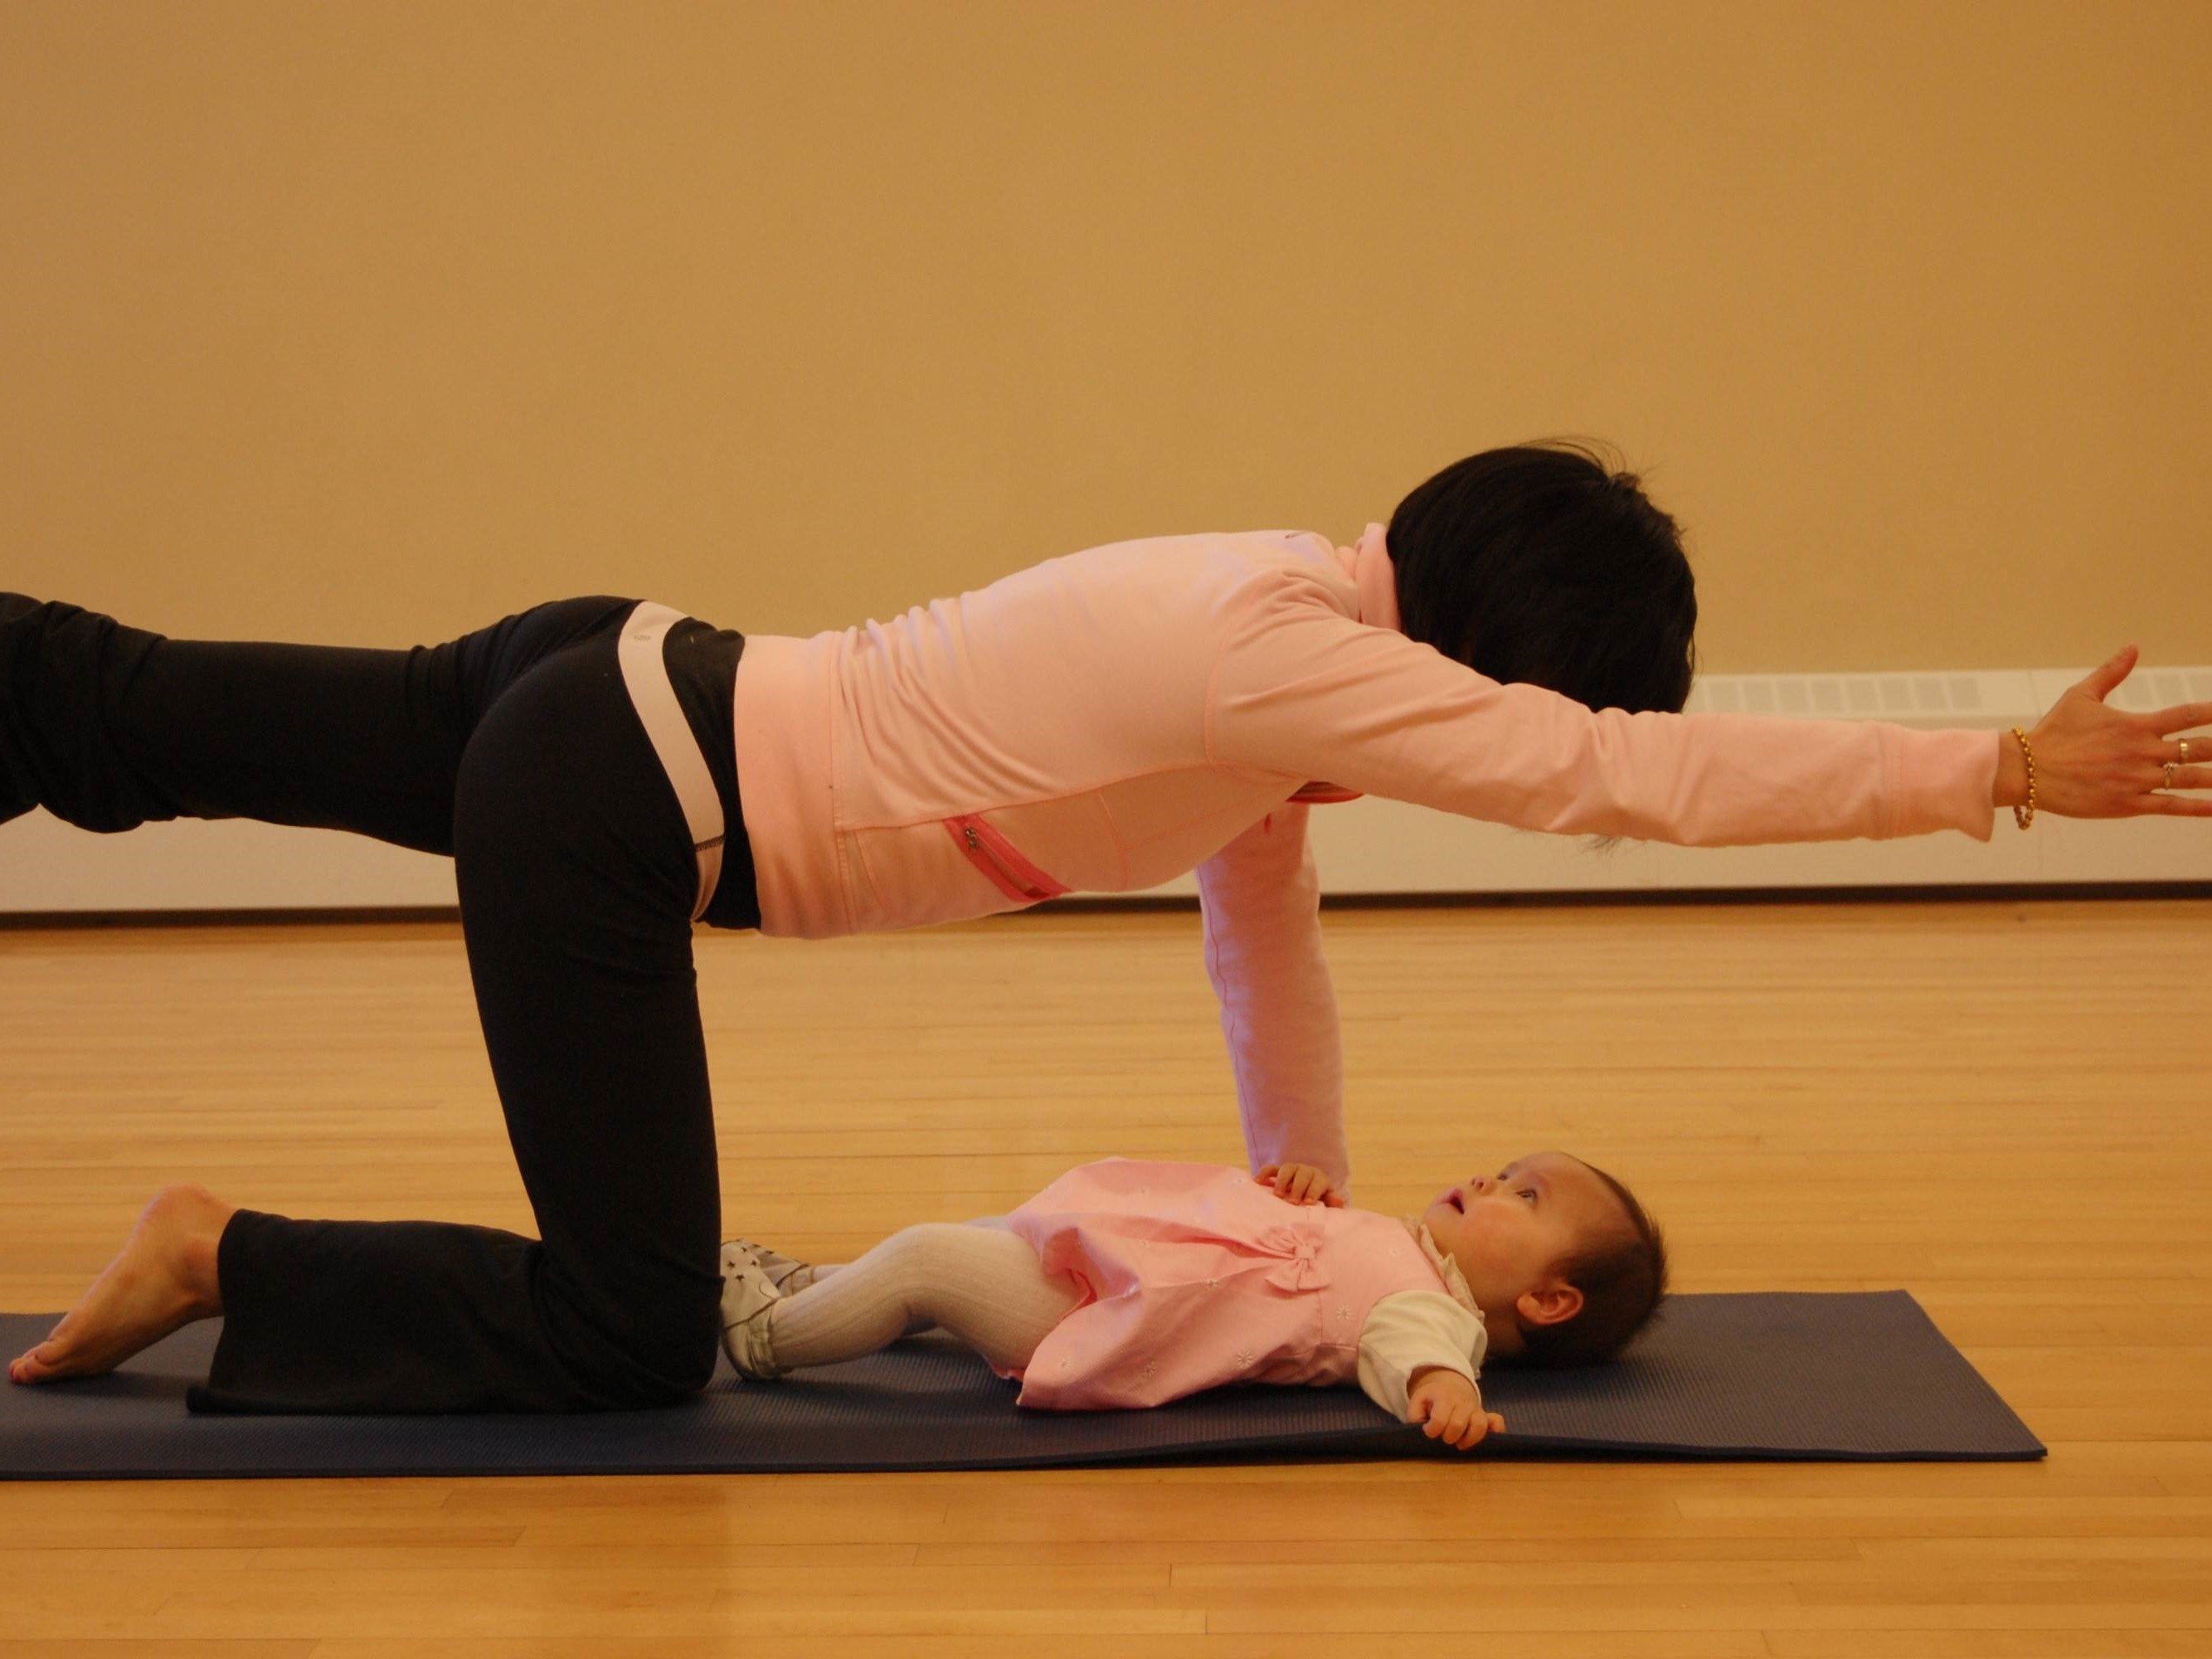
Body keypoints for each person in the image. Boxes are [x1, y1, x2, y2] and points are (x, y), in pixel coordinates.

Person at [3, 440, 2204, 1413]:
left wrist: (1293, 1166)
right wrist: (1985, 770)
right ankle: (227, 1260)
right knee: (628, 1327)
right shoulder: (1287, 659)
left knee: (130, 710)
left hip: (603, 686)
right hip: (620, 791)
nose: (1505, 747)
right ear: (1490, 662)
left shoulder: (1277, 636)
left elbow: (1264, 926)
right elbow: (1608, 776)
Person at [715, 1150, 1667, 1452]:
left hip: (1118, 1313)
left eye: (1524, 1197)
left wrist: (1441, 1388)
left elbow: (1411, 1342)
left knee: (930, 1262)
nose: (1490, 1181)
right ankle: (823, 1289)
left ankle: (770, 1335)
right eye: (1506, 1169)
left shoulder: (1435, 1309)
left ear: (1547, 1298)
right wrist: (1305, 1197)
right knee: (983, 1235)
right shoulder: (1409, 1249)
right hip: (1133, 1260)